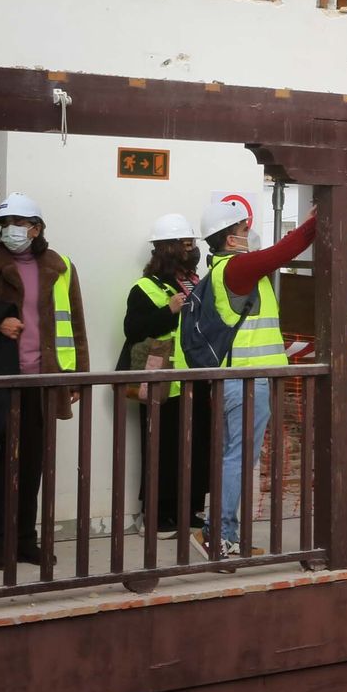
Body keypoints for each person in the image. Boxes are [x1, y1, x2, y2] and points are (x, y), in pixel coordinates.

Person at [0, 192, 89, 569]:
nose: (11, 230)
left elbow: (75, 324)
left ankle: (26, 539)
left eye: (19, 223)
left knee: (32, 463)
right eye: (4, 224)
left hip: (41, 383)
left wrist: (77, 375)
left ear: (37, 228)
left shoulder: (62, 268)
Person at [193, 198, 316, 562]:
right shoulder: (236, 270)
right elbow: (282, 253)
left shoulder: (223, 270)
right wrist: (314, 223)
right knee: (238, 458)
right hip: (245, 381)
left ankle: (221, 534)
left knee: (234, 456)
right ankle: (220, 537)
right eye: (244, 230)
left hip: (241, 380)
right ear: (231, 239)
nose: (250, 235)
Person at [118, 214, 208, 538]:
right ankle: (159, 514)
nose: (192, 250)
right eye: (185, 244)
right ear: (166, 249)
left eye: (193, 244)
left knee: (196, 444)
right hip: (163, 382)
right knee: (161, 446)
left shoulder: (198, 282)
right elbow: (133, 330)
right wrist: (168, 310)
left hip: (196, 379)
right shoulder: (144, 288)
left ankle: (191, 509)